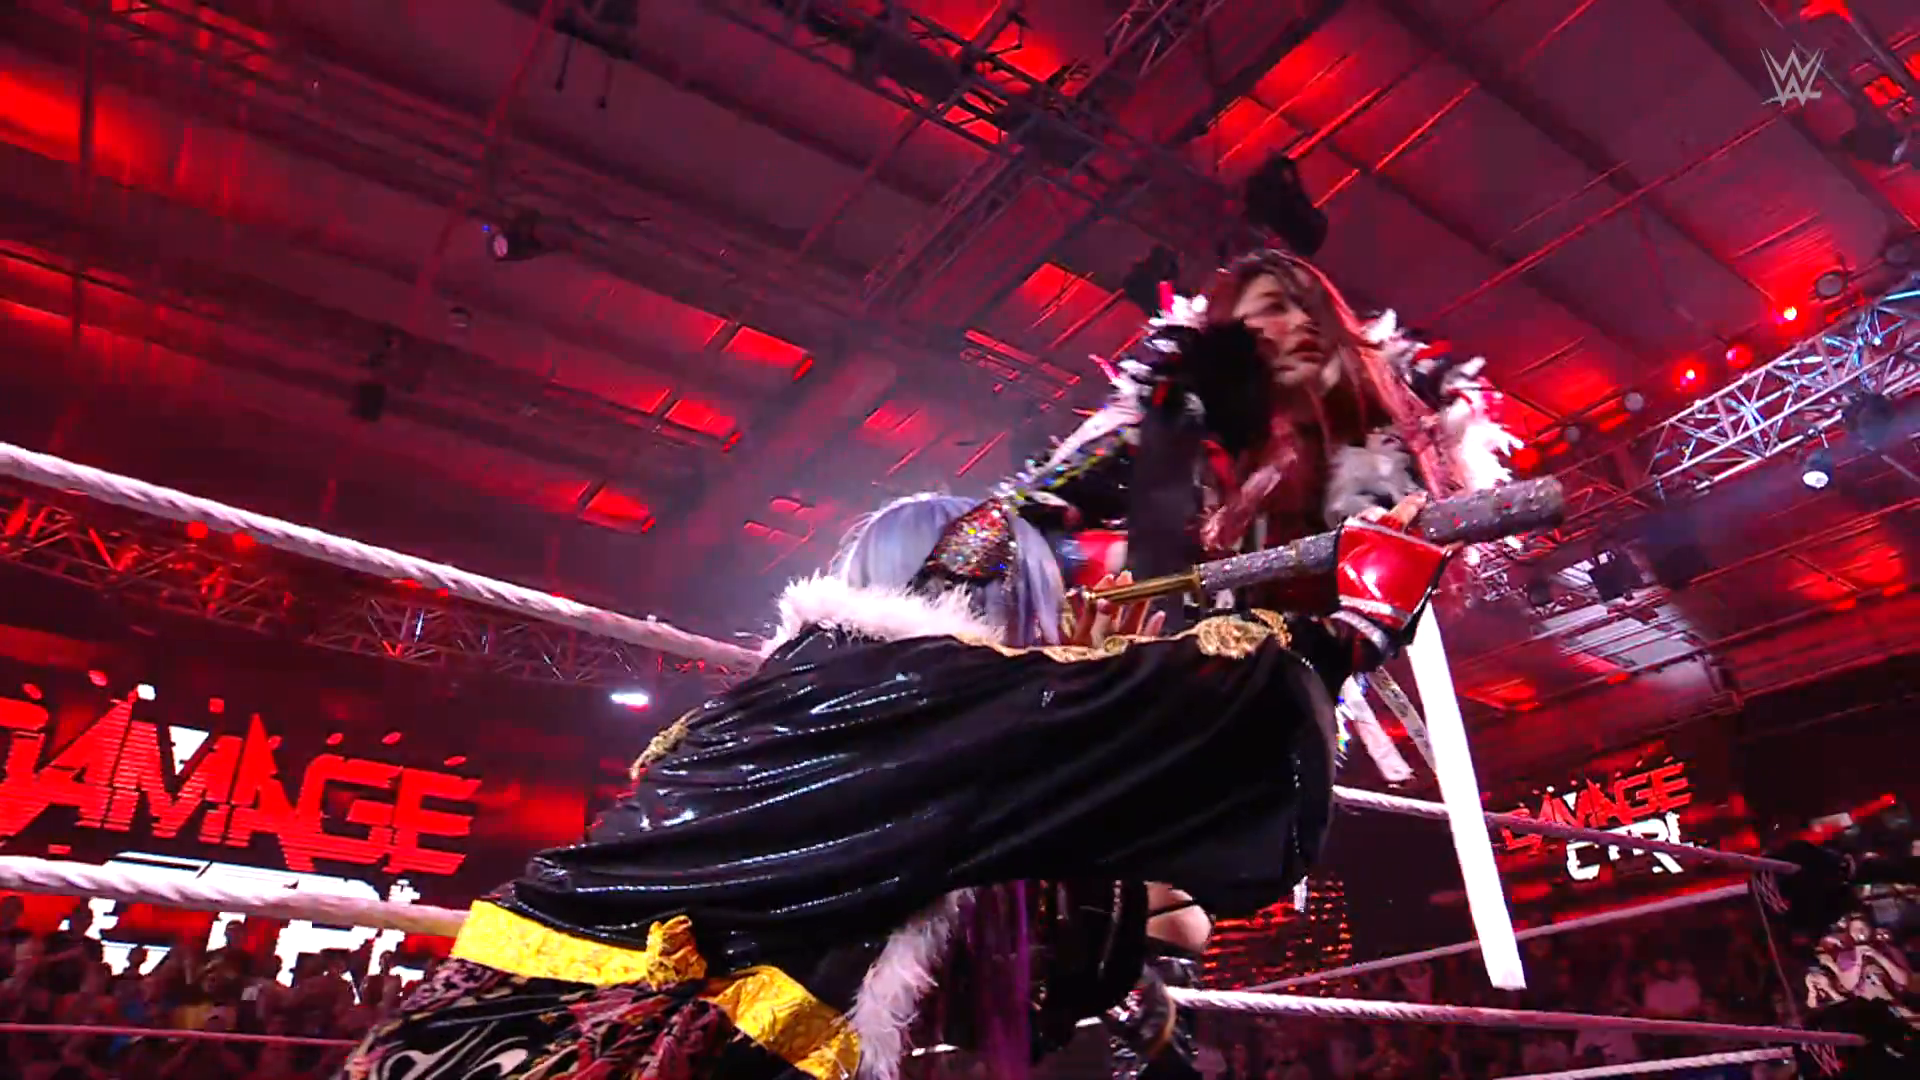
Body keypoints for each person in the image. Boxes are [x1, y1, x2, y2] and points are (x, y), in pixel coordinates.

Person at [342, 481, 1457, 1080]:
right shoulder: (927, 694)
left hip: (461, 1033)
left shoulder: (768, 699)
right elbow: (1164, 704)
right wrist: (1353, 623)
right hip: (597, 1052)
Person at [1001, 248, 1520, 1078]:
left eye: (1306, 307)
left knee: (1142, 882)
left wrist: (1359, 609)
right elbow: (1026, 518)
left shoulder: (1369, 447)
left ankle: (1125, 1005)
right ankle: (1127, 1017)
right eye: (1271, 308)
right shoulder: (1171, 428)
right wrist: (1086, 553)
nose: (1298, 324)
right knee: (1105, 905)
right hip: (1129, 695)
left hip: (1257, 714)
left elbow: (1362, 624)